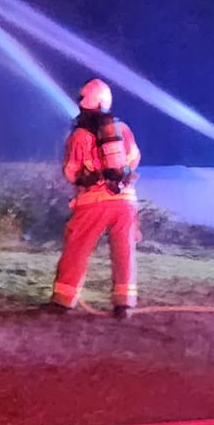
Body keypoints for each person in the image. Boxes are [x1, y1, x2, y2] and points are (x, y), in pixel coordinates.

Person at [49, 77, 141, 319]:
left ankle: (63, 301)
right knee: (124, 251)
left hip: (94, 201)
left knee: (77, 248)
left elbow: (71, 171)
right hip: (126, 201)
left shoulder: (79, 135)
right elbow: (133, 159)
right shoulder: (123, 130)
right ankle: (124, 305)